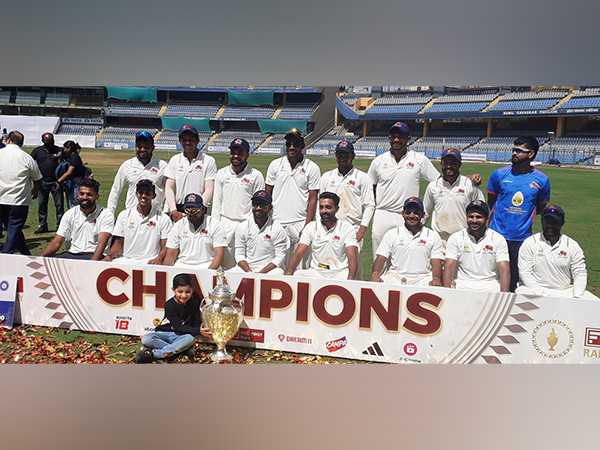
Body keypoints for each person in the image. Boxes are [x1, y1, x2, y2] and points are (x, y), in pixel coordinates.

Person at [367, 122, 441, 258]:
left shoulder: (419, 159)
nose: (396, 140)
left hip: (407, 216)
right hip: (382, 214)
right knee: (378, 257)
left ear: (408, 139)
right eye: (393, 136)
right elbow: (369, 187)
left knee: (403, 258)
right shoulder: (378, 161)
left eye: (400, 136)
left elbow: (438, 182)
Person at [487, 136, 551, 292]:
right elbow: (491, 203)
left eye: (519, 150)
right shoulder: (498, 175)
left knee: (514, 281)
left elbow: (541, 207)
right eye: (513, 149)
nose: (514, 153)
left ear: (530, 154)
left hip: (522, 239)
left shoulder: (542, 180)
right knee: (492, 279)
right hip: (496, 236)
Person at [517, 205, 599, 300]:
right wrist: (540, 293)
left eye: (554, 222)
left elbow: (580, 273)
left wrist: (577, 297)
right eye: (547, 221)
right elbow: (525, 272)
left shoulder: (572, 245)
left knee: (594, 301)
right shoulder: (530, 243)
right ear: (542, 222)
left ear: (562, 223)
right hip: (536, 291)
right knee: (521, 291)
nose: (550, 226)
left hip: (563, 292)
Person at [265, 129, 320, 263]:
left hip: (299, 223)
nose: (291, 147)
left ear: (302, 146)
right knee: (276, 264)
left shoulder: (312, 167)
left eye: (295, 144)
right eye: (289, 144)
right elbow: (267, 194)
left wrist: (307, 226)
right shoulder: (275, 165)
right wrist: (267, 223)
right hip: (277, 221)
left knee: (299, 267)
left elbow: (313, 199)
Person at [212, 138, 265, 267]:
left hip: (246, 224)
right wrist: (215, 225)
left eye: (240, 152)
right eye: (233, 152)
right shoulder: (222, 173)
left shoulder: (256, 176)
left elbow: (259, 205)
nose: (236, 156)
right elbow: (217, 202)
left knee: (245, 264)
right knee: (224, 265)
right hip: (225, 224)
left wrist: (253, 227)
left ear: (247, 154)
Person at [371, 197, 444, 286]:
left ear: (423, 215)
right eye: (408, 212)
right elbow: (381, 257)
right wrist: (375, 274)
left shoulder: (432, 235)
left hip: (422, 279)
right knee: (380, 281)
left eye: (416, 213)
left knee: (434, 284)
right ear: (403, 214)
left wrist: (436, 279)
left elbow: (436, 261)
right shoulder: (392, 234)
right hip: (395, 277)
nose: (412, 216)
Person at [285, 192, 359, 280]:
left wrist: (350, 281)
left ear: (337, 209)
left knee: (348, 277)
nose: (324, 211)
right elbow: (299, 252)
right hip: (316, 272)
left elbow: (352, 256)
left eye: (328, 207)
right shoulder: (311, 227)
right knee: (298, 275)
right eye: (321, 207)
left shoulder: (346, 228)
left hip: (339, 273)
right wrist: (288, 276)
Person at [443, 200, 510, 292]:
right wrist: (447, 293)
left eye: (479, 217)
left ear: (487, 219)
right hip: (463, 285)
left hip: (490, 286)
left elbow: (504, 269)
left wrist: (504, 296)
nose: (474, 221)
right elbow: (449, 265)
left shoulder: (498, 239)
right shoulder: (456, 237)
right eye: (471, 217)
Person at [135, 273, 204, 363]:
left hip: (182, 336)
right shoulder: (170, 305)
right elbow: (177, 327)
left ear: (192, 290)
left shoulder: (195, 301)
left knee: (190, 339)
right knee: (146, 339)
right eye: (180, 291)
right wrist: (198, 331)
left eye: (187, 292)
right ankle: (182, 350)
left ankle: (155, 354)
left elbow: (196, 321)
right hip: (166, 332)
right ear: (173, 290)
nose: (183, 295)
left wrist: (199, 330)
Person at [319, 140, 375, 249]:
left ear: (353, 156)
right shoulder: (326, 176)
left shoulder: (362, 177)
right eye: (340, 154)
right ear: (335, 155)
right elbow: (319, 203)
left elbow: (369, 205)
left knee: (353, 264)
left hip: (353, 228)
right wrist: (319, 227)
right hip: (329, 227)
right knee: (330, 264)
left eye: (346, 154)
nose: (342, 157)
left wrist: (362, 229)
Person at [41, 179, 114, 260]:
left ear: (97, 196)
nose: (84, 197)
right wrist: (40, 259)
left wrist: (92, 264)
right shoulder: (70, 213)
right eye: (82, 194)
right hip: (72, 254)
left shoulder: (106, 214)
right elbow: (57, 242)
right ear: (77, 195)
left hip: (93, 255)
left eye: (89, 194)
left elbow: (102, 243)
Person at [423, 148, 485, 242]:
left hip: (463, 239)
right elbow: (425, 213)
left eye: (453, 163)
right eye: (446, 163)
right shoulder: (433, 186)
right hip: (439, 240)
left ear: (460, 164)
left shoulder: (469, 185)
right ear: (441, 164)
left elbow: (482, 210)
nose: (449, 166)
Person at [104, 180, 172, 265]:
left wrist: (159, 258)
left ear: (153, 195)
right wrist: (110, 256)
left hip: (150, 261)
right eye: (141, 192)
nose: (144, 196)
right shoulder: (124, 215)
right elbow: (118, 243)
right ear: (136, 194)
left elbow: (165, 246)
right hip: (127, 260)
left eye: (147, 193)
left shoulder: (163, 218)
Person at [0, 131, 42, 254]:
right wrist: (35, 190)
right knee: (14, 226)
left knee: (11, 227)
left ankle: (25, 253)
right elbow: (38, 178)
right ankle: (6, 254)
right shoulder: (26, 157)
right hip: (18, 199)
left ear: (8, 140)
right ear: (22, 143)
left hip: (1, 197)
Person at [164, 125, 217, 222]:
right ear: (180, 141)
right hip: (178, 210)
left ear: (197, 141)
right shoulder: (175, 160)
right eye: (184, 139)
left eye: (191, 139)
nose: (187, 142)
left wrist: (198, 209)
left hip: (199, 210)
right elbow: (169, 187)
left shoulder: (208, 160)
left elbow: (209, 188)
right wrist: (173, 210)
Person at [107, 131, 167, 215]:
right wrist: (110, 213)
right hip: (131, 215)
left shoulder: (162, 166)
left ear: (152, 148)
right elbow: (116, 190)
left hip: (155, 216)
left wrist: (166, 211)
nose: (142, 149)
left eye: (146, 147)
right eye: (139, 146)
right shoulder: (127, 165)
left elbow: (169, 191)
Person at [230, 190, 289, 275]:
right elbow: (239, 255)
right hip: (247, 269)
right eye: (255, 204)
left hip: (269, 270)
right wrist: (249, 271)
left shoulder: (278, 228)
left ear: (270, 207)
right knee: (229, 274)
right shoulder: (242, 226)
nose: (258, 208)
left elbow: (279, 258)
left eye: (262, 205)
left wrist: (260, 274)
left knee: (278, 272)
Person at [163, 193, 228, 269]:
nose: (191, 213)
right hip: (182, 266)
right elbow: (170, 256)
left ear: (203, 209)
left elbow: (219, 255)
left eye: (195, 209)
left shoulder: (215, 225)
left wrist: (208, 273)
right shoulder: (178, 226)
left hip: (207, 266)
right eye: (188, 209)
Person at [30, 132, 64, 233]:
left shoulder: (59, 150)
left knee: (59, 205)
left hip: (56, 182)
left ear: (53, 140)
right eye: (47, 142)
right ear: (42, 141)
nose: (49, 144)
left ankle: (60, 226)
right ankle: (43, 225)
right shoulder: (37, 150)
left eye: (51, 141)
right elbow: (30, 162)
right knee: (42, 205)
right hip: (42, 182)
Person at [56, 141, 87, 208]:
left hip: (76, 184)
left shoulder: (74, 157)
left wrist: (58, 181)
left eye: (65, 148)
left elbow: (69, 172)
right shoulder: (72, 157)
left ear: (69, 148)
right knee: (71, 204)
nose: (63, 149)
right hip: (74, 183)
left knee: (74, 205)